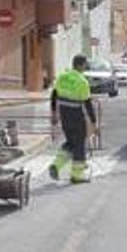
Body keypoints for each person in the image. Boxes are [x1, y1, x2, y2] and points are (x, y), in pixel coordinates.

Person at [49, 54, 98, 184]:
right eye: (85, 64)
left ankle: (56, 164)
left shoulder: (62, 77)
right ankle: (77, 175)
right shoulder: (82, 81)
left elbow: (54, 95)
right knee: (79, 145)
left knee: (71, 142)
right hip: (76, 115)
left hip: (64, 115)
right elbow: (87, 104)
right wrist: (93, 122)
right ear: (80, 65)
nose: (86, 66)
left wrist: (54, 112)